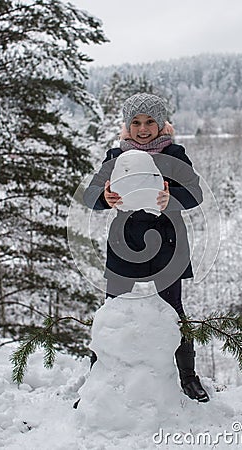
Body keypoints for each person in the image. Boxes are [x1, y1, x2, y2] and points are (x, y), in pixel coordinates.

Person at [83, 93, 209, 402]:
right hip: (124, 242)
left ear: (161, 123)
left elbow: (196, 194)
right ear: (127, 126)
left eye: (150, 121)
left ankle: (187, 378)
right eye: (136, 122)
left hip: (169, 242)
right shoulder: (115, 155)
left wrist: (172, 199)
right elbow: (89, 196)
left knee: (174, 312)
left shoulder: (175, 154)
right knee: (112, 312)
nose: (143, 128)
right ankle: (96, 382)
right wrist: (105, 198)